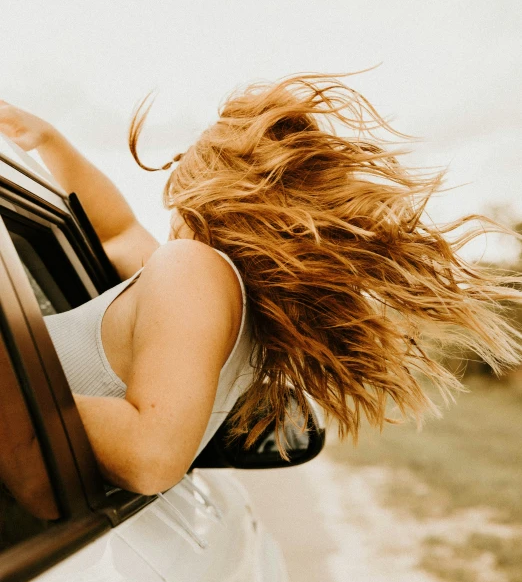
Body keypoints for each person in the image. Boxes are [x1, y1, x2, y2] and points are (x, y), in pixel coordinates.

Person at [1, 72, 521, 505]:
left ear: (208, 188)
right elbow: (114, 229)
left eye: (181, 166)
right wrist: (48, 141)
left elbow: (152, 457)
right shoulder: (210, 295)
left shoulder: (194, 270)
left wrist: (14, 371)